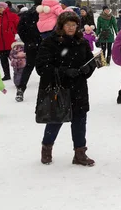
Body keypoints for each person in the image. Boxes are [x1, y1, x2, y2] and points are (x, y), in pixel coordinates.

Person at [36, 12, 97, 166]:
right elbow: (42, 67)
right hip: (59, 88)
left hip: (79, 88)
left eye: (74, 25)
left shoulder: (81, 42)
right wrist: (63, 71)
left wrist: (87, 69)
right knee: (56, 119)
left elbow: (90, 61)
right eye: (68, 24)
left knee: (80, 120)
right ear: (61, 25)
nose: (71, 28)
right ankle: (47, 148)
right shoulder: (50, 42)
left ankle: (79, 153)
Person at [16, 0, 44, 102]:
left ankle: (21, 89)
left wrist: (27, 41)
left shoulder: (27, 14)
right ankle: (46, 90)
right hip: (43, 44)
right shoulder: (44, 14)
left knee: (28, 67)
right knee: (45, 66)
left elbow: (20, 29)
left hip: (31, 44)